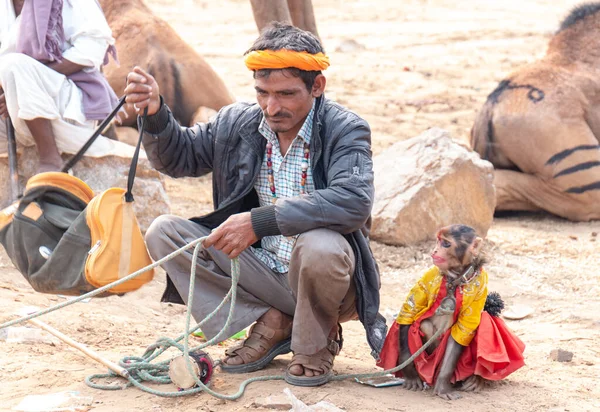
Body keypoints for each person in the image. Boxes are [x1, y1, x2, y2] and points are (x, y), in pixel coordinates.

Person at [123, 22, 387, 387]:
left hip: (329, 281)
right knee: (165, 233)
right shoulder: (237, 122)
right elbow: (179, 158)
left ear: (317, 86)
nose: (271, 106)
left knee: (319, 245)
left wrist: (259, 222)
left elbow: (353, 200)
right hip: (260, 270)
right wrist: (154, 113)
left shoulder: (345, 128)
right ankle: (272, 319)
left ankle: (315, 343)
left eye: (286, 94)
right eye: (262, 92)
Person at [376, 224, 525, 400]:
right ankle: (424, 370)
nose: (434, 251)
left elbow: (465, 329)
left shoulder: (479, 281)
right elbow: (406, 316)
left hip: (454, 341)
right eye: (438, 243)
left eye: (445, 245)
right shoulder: (433, 276)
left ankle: (474, 374)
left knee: (485, 322)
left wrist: (443, 380)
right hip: (426, 340)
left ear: (474, 247)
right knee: (424, 325)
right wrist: (408, 370)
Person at [0, 0, 133, 173]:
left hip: (68, 108)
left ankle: (50, 159)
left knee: (14, 64)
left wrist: (21, 84)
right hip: (18, 113)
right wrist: (10, 91)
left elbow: (92, 48)